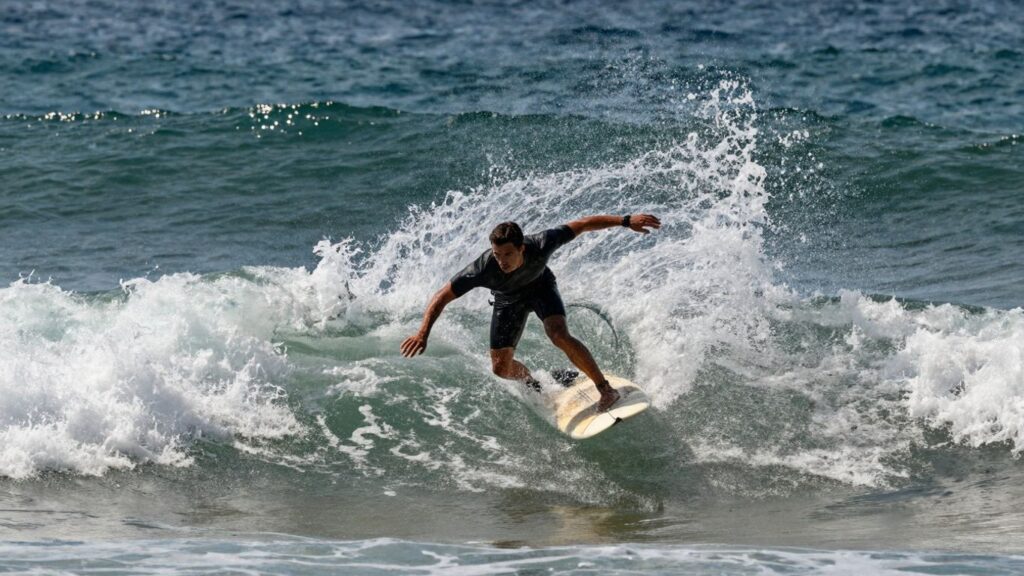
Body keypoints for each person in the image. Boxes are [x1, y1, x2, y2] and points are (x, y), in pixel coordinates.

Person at [400, 214, 661, 412]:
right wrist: (423, 333)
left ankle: (605, 389)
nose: (502, 261)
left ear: (522, 247)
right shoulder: (481, 269)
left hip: (541, 287)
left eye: (508, 254)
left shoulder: (542, 243)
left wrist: (626, 221)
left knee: (557, 334)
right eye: (497, 254)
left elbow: (582, 224)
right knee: (501, 368)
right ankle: (536, 384)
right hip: (508, 300)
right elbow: (442, 296)